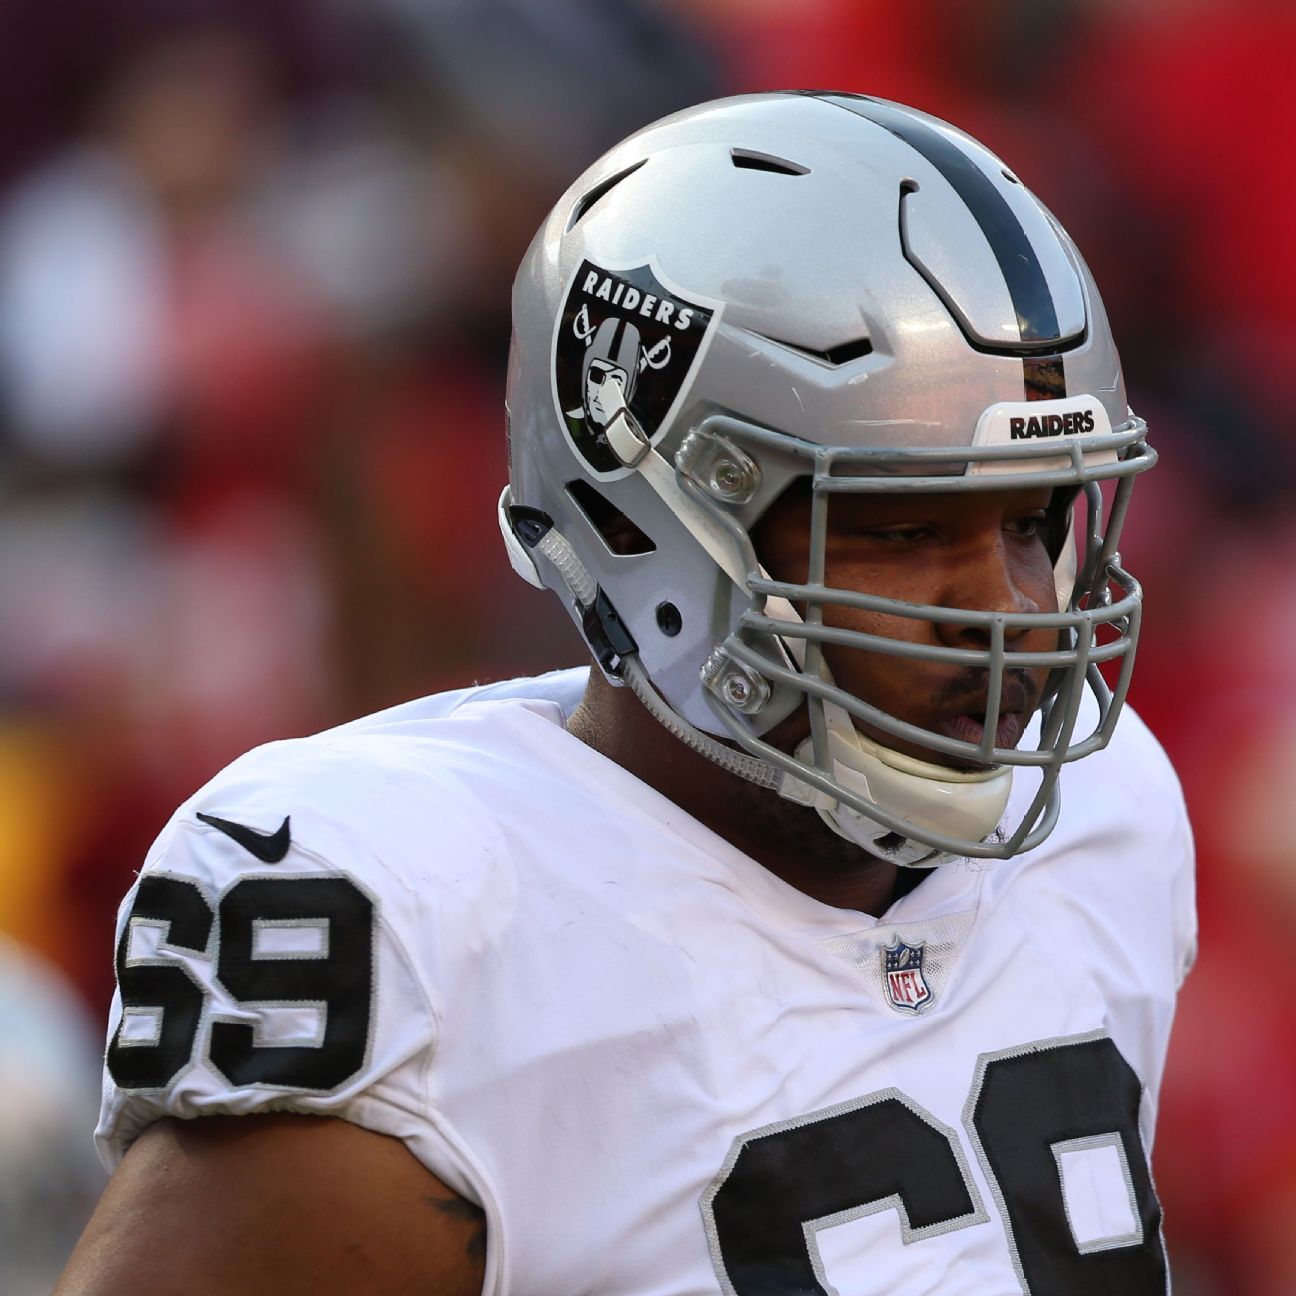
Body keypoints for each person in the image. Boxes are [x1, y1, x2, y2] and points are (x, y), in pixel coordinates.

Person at [56, 92, 1194, 1296]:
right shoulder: (436, 914)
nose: (1014, 613)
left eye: (1034, 521)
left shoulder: (1105, 813)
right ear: (649, 523)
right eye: (905, 528)